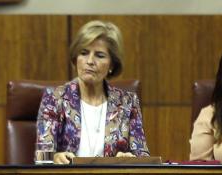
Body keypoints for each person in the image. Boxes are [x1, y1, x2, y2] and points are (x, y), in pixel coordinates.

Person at [36, 20, 149, 164]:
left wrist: (129, 159)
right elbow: (42, 158)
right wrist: (55, 158)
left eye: (99, 55)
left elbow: (143, 158)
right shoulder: (54, 99)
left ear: (112, 64)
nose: (90, 61)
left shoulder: (127, 103)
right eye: (83, 53)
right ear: (75, 58)